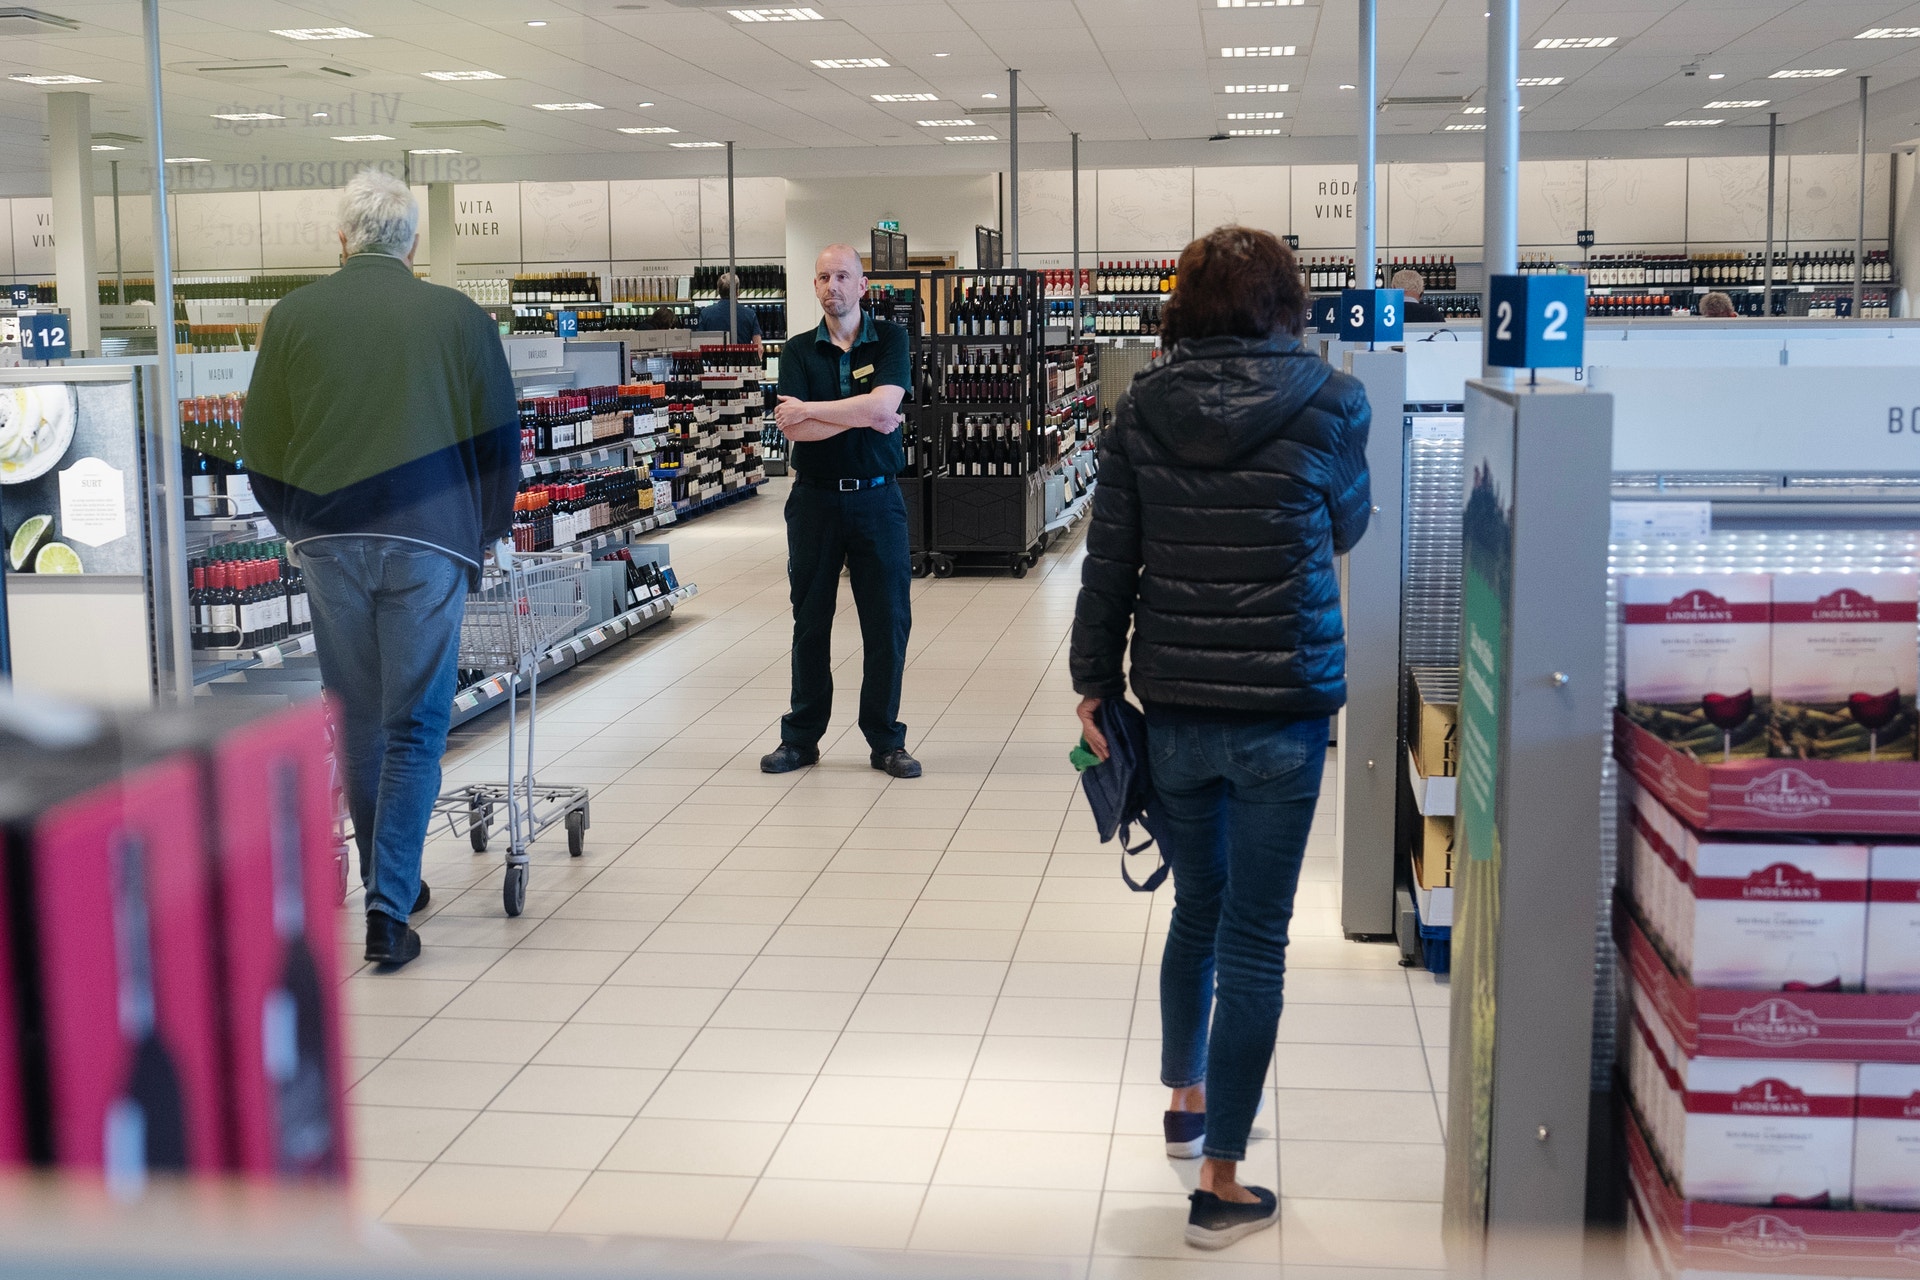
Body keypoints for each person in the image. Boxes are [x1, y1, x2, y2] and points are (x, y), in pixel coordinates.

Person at [1070, 225, 1371, 1250]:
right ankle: (1221, 1180)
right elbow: (1349, 526)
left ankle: (1186, 1099)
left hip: (1181, 706)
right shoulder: (1334, 400)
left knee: (1197, 910)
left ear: (1181, 309)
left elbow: (1109, 560)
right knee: (1255, 938)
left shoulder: (1140, 407)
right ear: (1288, 303)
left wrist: (1090, 687)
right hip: (1285, 706)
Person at [243, 170, 519, 970]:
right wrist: (488, 530)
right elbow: (500, 439)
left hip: (328, 542)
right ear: (412, 241)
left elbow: (259, 444)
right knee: (417, 723)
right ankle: (388, 909)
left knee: (358, 719)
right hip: (430, 539)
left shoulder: (291, 317)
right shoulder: (458, 316)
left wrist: (296, 525)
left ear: (342, 239)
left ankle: (385, 880)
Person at [758, 244, 921, 779]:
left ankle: (885, 740)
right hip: (815, 500)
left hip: (878, 498)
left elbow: (882, 407)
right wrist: (863, 414)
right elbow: (796, 429)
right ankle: (802, 738)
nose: (833, 285)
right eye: (823, 276)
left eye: (843, 275)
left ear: (862, 285)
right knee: (810, 621)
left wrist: (820, 410)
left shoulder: (892, 338)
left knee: (887, 622)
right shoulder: (798, 351)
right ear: (815, 285)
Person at [696, 271, 763, 341]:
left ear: (719, 291)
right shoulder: (750, 314)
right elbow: (758, 347)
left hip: (715, 352)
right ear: (737, 292)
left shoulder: (705, 313)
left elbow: (700, 342)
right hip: (742, 352)